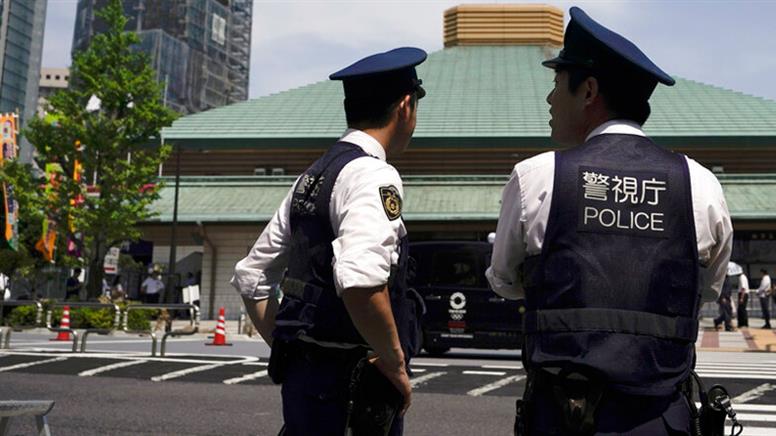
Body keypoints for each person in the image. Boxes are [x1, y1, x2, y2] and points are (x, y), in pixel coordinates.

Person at [485, 7, 733, 434]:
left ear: (589, 91)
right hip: (661, 417)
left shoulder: (538, 176)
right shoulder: (699, 182)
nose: (549, 99)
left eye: (556, 84)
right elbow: (705, 290)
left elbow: (505, 280)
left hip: (563, 415)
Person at [230, 48, 428, 435]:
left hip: (305, 385)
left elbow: (252, 276)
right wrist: (394, 362)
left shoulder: (313, 176)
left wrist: (292, 350)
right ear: (405, 106)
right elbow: (360, 281)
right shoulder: (373, 175)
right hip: (354, 392)